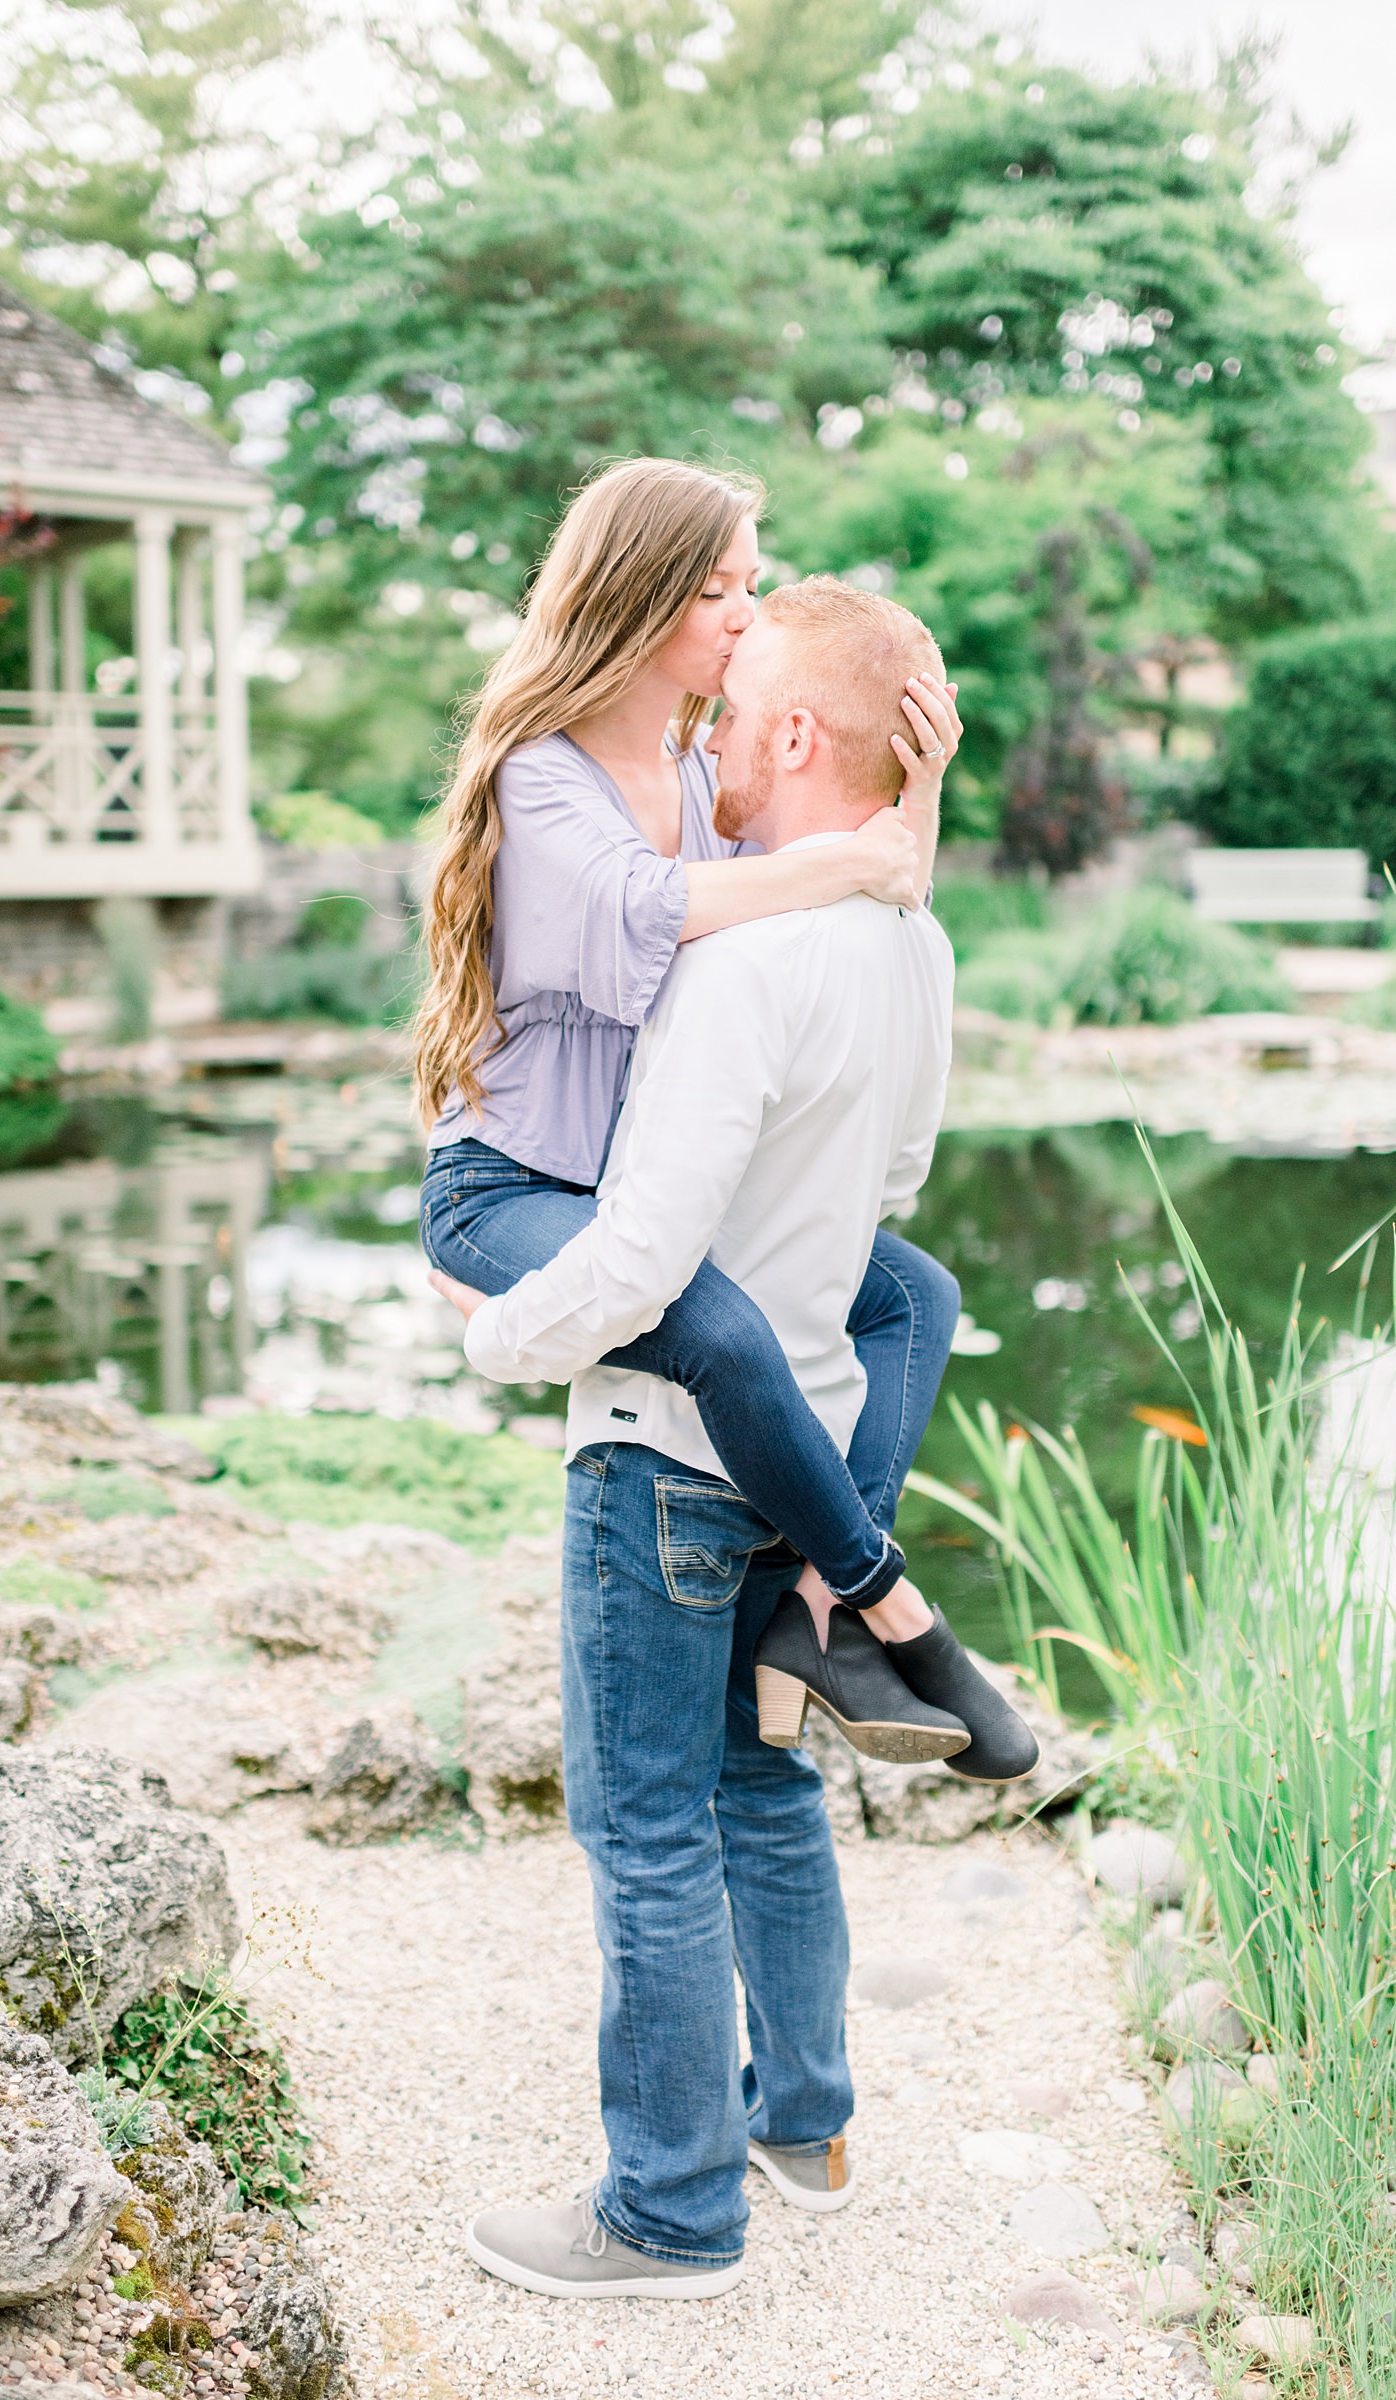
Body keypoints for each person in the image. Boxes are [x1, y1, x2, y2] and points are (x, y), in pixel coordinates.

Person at [433, 579, 1038, 2300]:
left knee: (645, 1832)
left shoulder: (736, 953)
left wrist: (491, 1334)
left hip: (664, 1451)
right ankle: (804, 2122)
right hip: (810, 1448)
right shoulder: (909, 948)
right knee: (759, 1789)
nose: (704, 739)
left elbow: (634, 1259)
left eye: (732, 707)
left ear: (789, 736)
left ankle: (670, 2211)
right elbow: (887, 1208)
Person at [416, 460, 967, 1728]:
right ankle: (879, 1599)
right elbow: (647, 913)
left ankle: (810, 1616)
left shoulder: (702, 782)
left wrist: (908, 803)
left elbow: (862, 901)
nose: (745, 613)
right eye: (718, 588)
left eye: (751, 584)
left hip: (620, 1189)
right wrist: (855, 852)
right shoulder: (540, 773)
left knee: (917, 1294)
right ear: (642, 596)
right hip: (511, 1189)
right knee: (716, 1327)